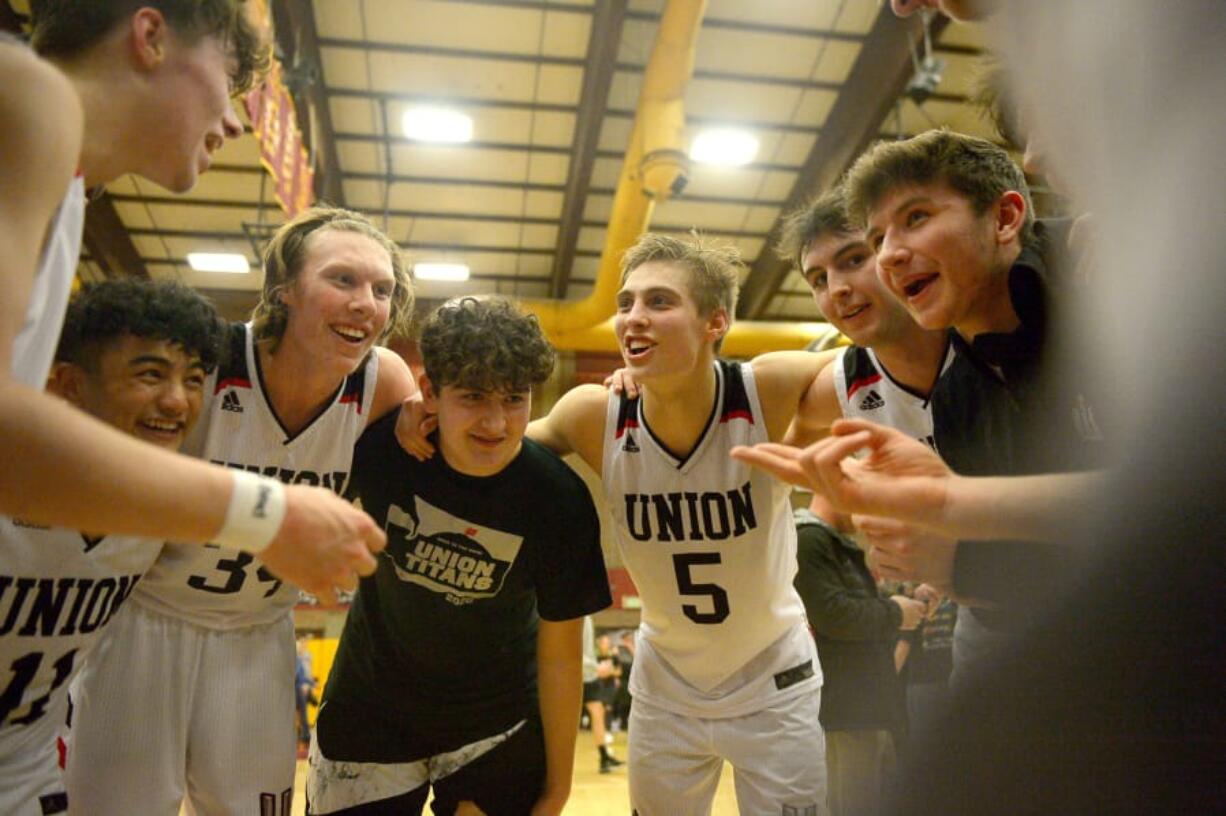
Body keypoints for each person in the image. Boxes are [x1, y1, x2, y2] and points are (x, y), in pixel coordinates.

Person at [0, 0, 384, 602]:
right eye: (227, 82)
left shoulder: (70, 192)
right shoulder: (26, 94)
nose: (233, 123)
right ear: (150, 36)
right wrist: (266, 512)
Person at [65, 207, 417, 815]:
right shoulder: (209, 361)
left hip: (259, 635)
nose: (367, 302)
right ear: (283, 289)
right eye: (342, 280)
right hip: (144, 621)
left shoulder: (382, 381)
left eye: (381, 290)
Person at [307, 297, 611, 815]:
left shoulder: (559, 499)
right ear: (429, 392)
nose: (495, 422)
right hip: (371, 707)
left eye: (515, 399)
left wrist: (558, 787)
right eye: (472, 397)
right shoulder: (383, 450)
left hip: (495, 725)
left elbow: (560, 656)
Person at [0, 279, 224, 815]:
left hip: (27, 762)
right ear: (69, 386)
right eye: (150, 374)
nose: (176, 401)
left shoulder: (162, 505)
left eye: (193, 379)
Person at [793, 494, 921, 816]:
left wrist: (904, 606)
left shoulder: (835, 543)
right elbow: (833, 615)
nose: (866, 514)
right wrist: (895, 613)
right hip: (846, 711)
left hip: (870, 707)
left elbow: (853, 611)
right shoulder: (809, 540)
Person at [581, 617, 625, 774]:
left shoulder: (587, 618)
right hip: (575, 674)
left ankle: (604, 757)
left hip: (589, 676)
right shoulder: (574, 615)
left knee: (598, 712)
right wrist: (595, 667)